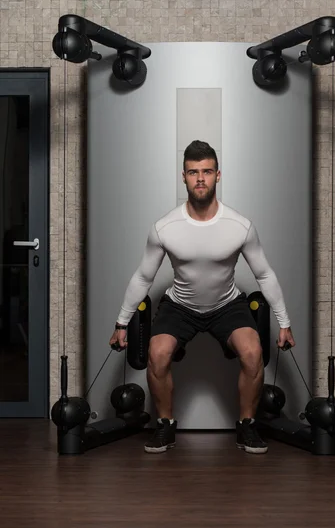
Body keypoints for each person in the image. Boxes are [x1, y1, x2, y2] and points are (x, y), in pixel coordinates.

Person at [109, 140, 295, 455]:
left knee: (252, 353)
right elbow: (144, 276)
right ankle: (165, 426)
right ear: (183, 176)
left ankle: (247, 426)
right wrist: (121, 322)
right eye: (193, 172)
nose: (200, 178)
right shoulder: (165, 227)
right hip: (180, 305)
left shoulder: (240, 226)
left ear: (217, 176)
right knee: (157, 353)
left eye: (206, 171)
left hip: (227, 305)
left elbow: (264, 274)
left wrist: (284, 322)